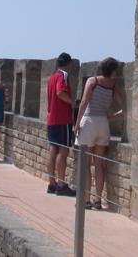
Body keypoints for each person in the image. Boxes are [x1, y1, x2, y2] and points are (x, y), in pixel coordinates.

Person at [74, 57, 124, 210]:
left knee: (86, 164)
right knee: (99, 164)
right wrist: (112, 116)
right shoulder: (112, 85)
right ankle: (98, 200)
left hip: (89, 122)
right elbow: (124, 108)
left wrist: (77, 124)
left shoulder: (93, 81)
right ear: (113, 71)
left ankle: (86, 200)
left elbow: (84, 102)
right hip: (103, 124)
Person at [45, 52, 76, 196]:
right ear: (69, 64)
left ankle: (52, 184)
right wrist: (73, 102)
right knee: (63, 152)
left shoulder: (52, 77)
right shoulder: (63, 75)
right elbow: (60, 92)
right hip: (62, 119)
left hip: (51, 118)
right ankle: (61, 185)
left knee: (53, 150)